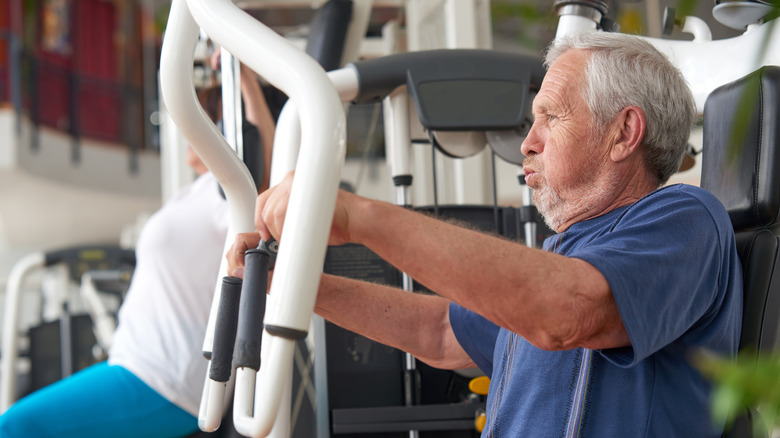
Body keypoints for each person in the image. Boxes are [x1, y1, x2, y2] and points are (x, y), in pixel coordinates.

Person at [227, 32, 743, 437]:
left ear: (624, 133)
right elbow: (441, 333)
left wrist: (359, 217)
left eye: (550, 118)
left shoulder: (687, 217)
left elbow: (568, 311)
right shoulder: (565, 257)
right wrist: (294, 284)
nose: (528, 143)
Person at [0, 52, 275, 437]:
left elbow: (262, 168)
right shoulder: (193, 193)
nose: (189, 128)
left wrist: (244, 78)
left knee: (15, 426)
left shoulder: (229, 192)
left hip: (164, 378)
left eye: (204, 120)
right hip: (133, 363)